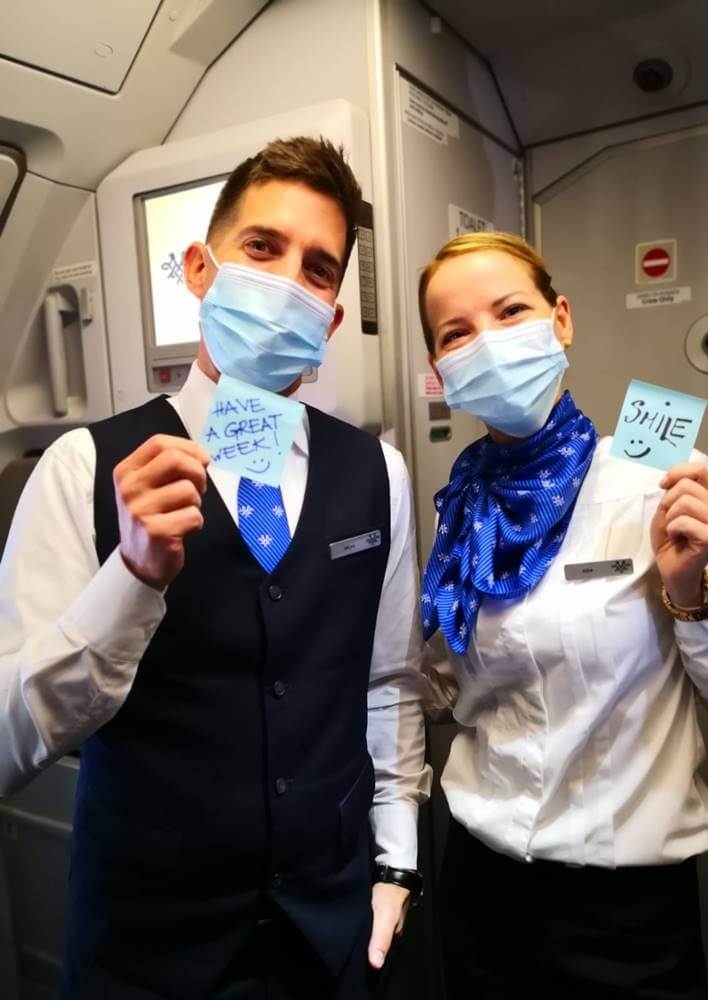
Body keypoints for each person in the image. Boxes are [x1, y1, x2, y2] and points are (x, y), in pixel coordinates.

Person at [0, 137, 430, 999]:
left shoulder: (376, 472)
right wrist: (131, 578)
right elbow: (9, 743)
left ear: (330, 320)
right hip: (147, 945)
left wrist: (397, 861)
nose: (286, 284)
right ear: (200, 270)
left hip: (330, 930)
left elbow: (388, 682)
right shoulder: (82, 467)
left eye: (316, 271)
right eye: (261, 249)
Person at [417, 231, 708, 1000]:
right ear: (440, 369)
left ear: (560, 319)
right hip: (482, 888)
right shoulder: (460, 510)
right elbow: (447, 686)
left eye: (511, 312)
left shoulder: (659, 481)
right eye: (457, 333)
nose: (488, 344)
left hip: (625, 915)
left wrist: (691, 593)